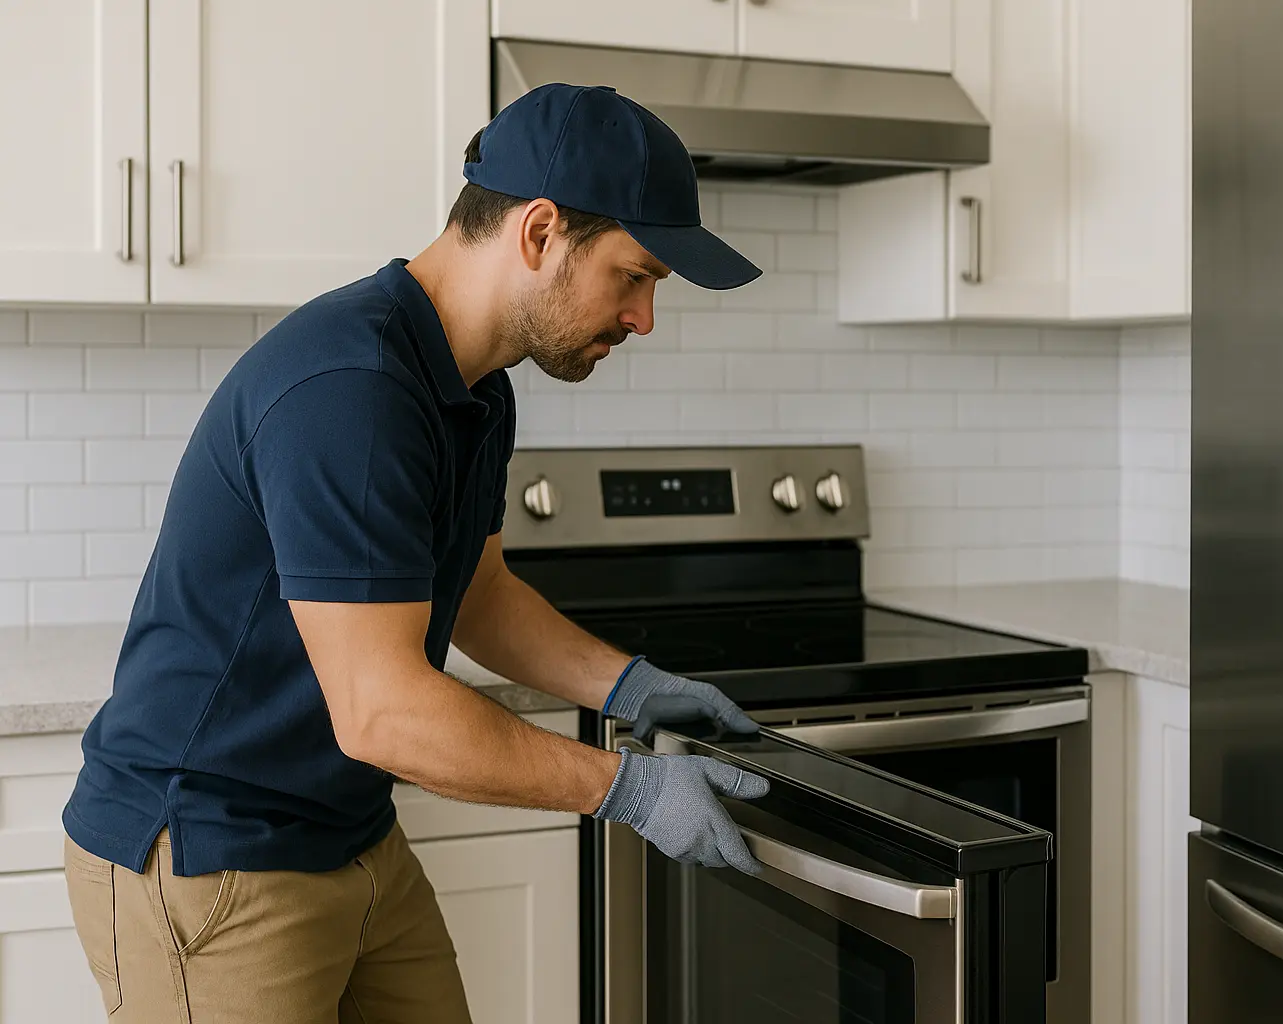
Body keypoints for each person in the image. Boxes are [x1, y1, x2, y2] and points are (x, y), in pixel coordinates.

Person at [60, 82, 769, 1024]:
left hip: (351, 836)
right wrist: (626, 787)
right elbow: (383, 714)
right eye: (634, 276)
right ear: (541, 232)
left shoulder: (478, 387)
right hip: (210, 856)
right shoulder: (351, 391)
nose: (642, 318)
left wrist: (629, 687)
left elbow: (475, 594)